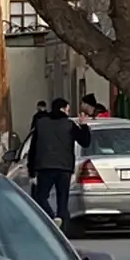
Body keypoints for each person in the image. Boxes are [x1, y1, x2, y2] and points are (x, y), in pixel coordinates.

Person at [27, 97, 90, 226]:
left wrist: (31, 170)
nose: (68, 112)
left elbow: (33, 148)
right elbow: (85, 142)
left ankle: (50, 218)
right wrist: (83, 125)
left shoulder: (41, 123)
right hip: (64, 168)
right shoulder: (69, 125)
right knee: (63, 201)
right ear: (63, 109)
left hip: (44, 167)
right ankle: (63, 227)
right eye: (68, 109)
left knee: (41, 197)